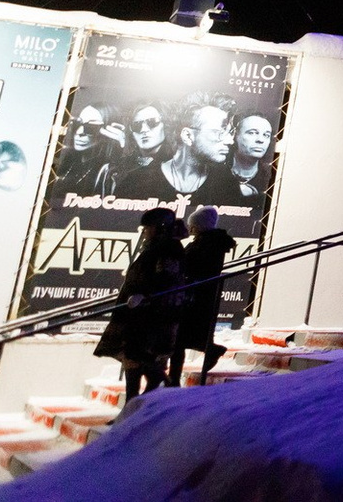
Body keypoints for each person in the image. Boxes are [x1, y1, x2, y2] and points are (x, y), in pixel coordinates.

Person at [94, 207, 184, 403]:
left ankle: (140, 399)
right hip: (136, 312)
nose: (144, 231)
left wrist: (145, 296)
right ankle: (134, 402)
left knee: (138, 356)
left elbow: (167, 281)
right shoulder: (154, 247)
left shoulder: (168, 250)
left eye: (148, 227)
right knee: (133, 357)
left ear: (160, 228)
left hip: (149, 315)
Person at [171, 205, 235, 386]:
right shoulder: (210, 243)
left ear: (200, 226)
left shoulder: (206, 244)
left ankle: (174, 379)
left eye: (193, 225)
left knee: (180, 339)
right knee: (184, 338)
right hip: (198, 295)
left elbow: (192, 265)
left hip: (196, 296)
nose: (190, 228)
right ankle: (175, 378)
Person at [55, 104, 118, 196]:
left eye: (91, 127)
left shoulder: (109, 171)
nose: (79, 132)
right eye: (77, 124)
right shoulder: (67, 162)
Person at [230, 113, 275, 197]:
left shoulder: (271, 178)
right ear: (235, 135)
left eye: (266, 135)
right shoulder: (216, 170)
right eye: (252, 133)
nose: (260, 140)